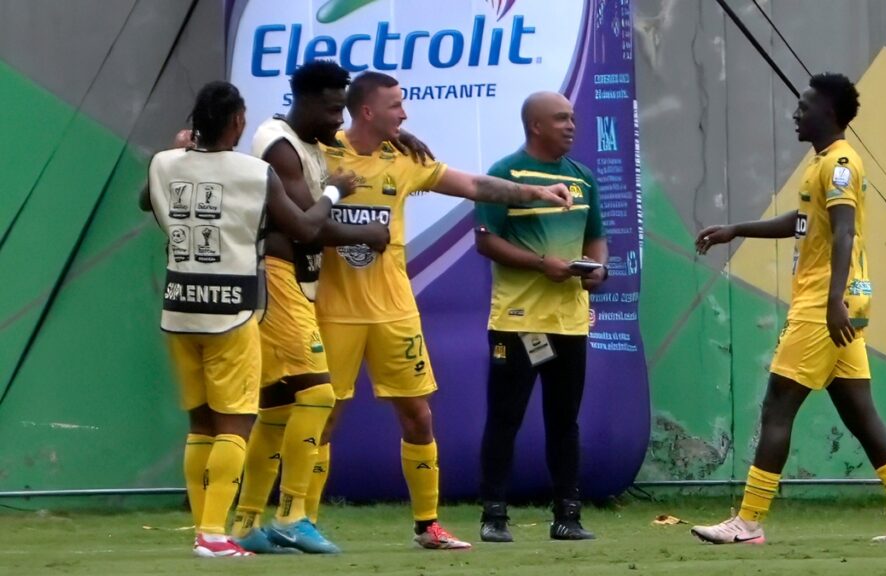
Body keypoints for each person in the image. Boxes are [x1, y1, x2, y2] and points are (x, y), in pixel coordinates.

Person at [315, 71, 575, 550]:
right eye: (396, 105)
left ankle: (427, 526)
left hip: (395, 312)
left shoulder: (405, 158)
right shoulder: (320, 151)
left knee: (418, 417)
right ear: (368, 111)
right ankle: (299, 522)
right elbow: (276, 151)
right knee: (322, 419)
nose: (405, 113)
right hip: (334, 312)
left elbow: (473, 184)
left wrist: (534, 192)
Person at [690, 72, 886, 544]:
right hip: (835, 302)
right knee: (861, 414)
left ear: (828, 112)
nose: (796, 113)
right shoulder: (821, 163)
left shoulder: (841, 163)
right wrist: (736, 229)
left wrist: (832, 303)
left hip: (825, 304)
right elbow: (806, 222)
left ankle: (748, 522)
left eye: (804, 106)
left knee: (777, 405)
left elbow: (844, 231)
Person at [230, 60, 428, 554]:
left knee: (277, 409)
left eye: (344, 108)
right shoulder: (279, 146)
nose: (339, 119)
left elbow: (359, 141)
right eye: (332, 108)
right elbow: (306, 227)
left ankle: (245, 523)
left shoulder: (312, 141)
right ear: (308, 102)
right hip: (278, 278)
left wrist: (397, 135)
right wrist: (365, 228)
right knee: (317, 396)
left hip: (296, 283)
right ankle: (294, 514)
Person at [145, 81, 341, 557]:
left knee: (201, 426)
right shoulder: (256, 173)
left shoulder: (163, 163)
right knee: (235, 426)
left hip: (178, 308)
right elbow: (305, 228)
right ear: (236, 122)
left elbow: (147, 201)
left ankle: (203, 528)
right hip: (231, 311)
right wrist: (334, 191)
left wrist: (184, 155)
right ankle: (214, 535)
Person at [474, 92, 607, 543]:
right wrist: (539, 264)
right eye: (561, 118)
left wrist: (597, 270)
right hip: (517, 321)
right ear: (535, 125)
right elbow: (486, 241)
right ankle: (494, 517)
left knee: (564, 421)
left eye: (573, 117)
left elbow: (596, 236)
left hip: (569, 322)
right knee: (505, 418)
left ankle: (567, 516)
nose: (572, 125)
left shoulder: (583, 178)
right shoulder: (505, 174)